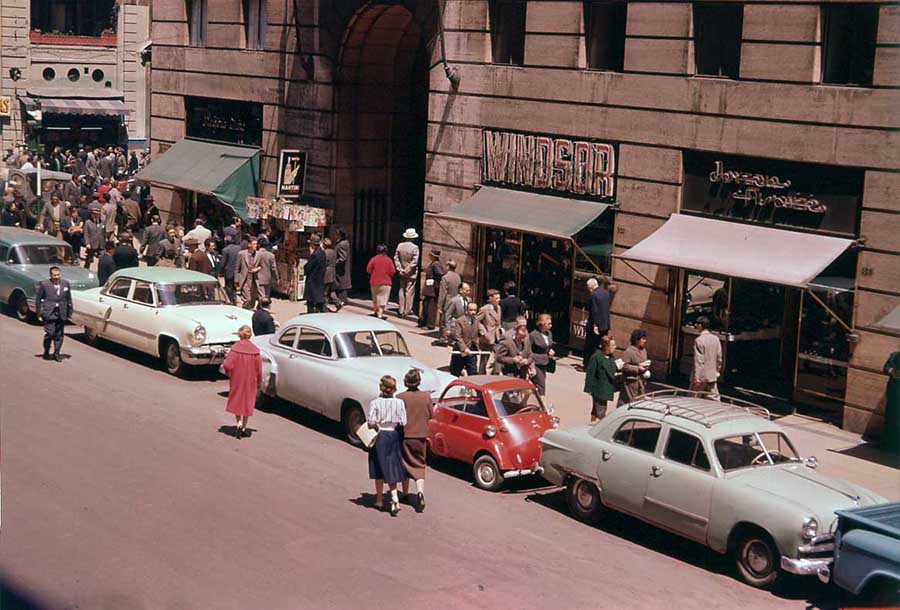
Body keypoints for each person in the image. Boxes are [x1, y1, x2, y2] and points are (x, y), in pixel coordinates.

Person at [366, 375, 407, 516]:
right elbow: (403, 421)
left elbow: (371, 421)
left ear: (381, 387)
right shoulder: (400, 403)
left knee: (378, 466)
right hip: (393, 435)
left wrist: (378, 421)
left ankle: (380, 500)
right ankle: (393, 497)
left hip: (380, 435)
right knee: (392, 466)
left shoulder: (375, 403)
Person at [398, 368, 433, 512]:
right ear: (419, 381)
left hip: (405, 436)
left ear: (406, 382)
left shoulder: (400, 397)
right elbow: (431, 414)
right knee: (419, 464)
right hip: (421, 436)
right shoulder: (426, 396)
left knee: (404, 464)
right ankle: (420, 493)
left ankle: (405, 493)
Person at [223, 325, 263, 439]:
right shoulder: (255, 351)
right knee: (247, 401)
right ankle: (244, 426)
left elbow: (227, 364)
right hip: (251, 379)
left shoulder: (235, 348)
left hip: (237, 378)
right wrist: (259, 381)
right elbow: (259, 369)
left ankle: (239, 423)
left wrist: (229, 373)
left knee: (237, 399)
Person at [35, 267, 72, 362]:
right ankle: (46, 351)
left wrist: (70, 311)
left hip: (61, 312)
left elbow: (69, 298)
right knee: (50, 333)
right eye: (54, 275)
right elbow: (38, 299)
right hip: (49, 312)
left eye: (58, 275)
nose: (56, 277)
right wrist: (39, 313)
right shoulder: (44, 284)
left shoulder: (65, 284)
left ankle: (56, 353)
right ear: (51, 275)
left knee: (59, 335)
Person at [584, 335, 618, 422]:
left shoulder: (611, 357)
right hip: (599, 389)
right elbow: (590, 373)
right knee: (601, 413)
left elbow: (612, 370)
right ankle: (601, 427)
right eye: (612, 345)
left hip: (606, 389)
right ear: (606, 346)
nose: (615, 347)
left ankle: (591, 425)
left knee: (596, 411)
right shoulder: (596, 357)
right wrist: (588, 388)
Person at [691, 316, 722, 400]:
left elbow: (699, 361)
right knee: (714, 400)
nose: (696, 326)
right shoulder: (716, 339)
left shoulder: (699, 340)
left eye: (697, 324)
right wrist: (717, 371)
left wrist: (697, 377)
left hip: (701, 377)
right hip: (712, 375)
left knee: (693, 399)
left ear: (700, 325)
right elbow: (719, 358)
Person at [585, 277, 615, 359]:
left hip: (596, 326)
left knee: (591, 346)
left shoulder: (593, 295)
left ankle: (589, 363)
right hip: (605, 325)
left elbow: (594, 311)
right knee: (602, 345)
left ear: (590, 286)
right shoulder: (606, 293)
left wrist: (595, 325)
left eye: (588, 288)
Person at [393, 228, 420, 317]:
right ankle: (407, 310)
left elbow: (396, 258)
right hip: (411, 273)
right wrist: (407, 270)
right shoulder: (415, 247)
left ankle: (401, 309)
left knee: (401, 289)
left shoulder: (400, 246)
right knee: (409, 291)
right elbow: (414, 261)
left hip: (401, 273)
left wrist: (400, 269)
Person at [450, 301, 480, 376]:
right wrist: (464, 348)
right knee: (455, 373)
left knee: (473, 372)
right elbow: (457, 336)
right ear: (466, 310)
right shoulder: (460, 321)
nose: (473, 312)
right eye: (471, 310)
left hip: (472, 350)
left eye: (475, 310)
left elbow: (478, 333)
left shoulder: (476, 320)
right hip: (460, 351)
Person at [366, 244, 395, 319]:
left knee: (375, 297)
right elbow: (392, 271)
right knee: (383, 298)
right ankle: (380, 313)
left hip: (374, 281)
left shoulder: (373, 259)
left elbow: (368, 269)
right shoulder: (388, 260)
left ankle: (376, 311)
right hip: (386, 282)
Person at [529, 313, 556, 396]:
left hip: (545, 363)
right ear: (542, 323)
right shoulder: (533, 335)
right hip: (536, 363)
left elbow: (548, 346)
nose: (551, 326)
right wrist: (531, 365)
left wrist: (551, 351)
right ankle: (540, 400)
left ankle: (532, 399)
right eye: (548, 324)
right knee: (541, 385)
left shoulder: (549, 334)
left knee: (538, 384)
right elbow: (528, 351)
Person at [476, 289, 502, 374]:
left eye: (499, 298)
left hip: (497, 336)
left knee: (499, 354)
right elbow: (477, 321)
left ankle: (495, 372)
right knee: (484, 358)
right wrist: (483, 332)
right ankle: (481, 374)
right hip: (488, 337)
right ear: (490, 298)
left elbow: (498, 322)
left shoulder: (499, 308)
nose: (499, 300)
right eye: (496, 298)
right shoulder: (484, 309)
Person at [622, 329, 651, 403]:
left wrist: (646, 368)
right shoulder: (629, 351)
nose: (645, 341)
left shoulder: (643, 350)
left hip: (641, 382)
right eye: (643, 339)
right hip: (631, 383)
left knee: (639, 402)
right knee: (629, 402)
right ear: (637, 340)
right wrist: (637, 368)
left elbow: (643, 362)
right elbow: (624, 366)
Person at [418, 248, 443, 329]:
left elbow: (440, 274)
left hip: (432, 290)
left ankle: (430, 324)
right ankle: (424, 322)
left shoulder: (436, 264)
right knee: (426, 305)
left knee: (431, 307)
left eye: (430, 255)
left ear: (433, 256)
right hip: (429, 289)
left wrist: (435, 284)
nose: (429, 256)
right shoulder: (433, 263)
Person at [882, 348, 899, 455]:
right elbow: (885, 367)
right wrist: (891, 371)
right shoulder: (894, 355)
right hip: (893, 392)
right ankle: (887, 442)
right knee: (890, 416)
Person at [303, 234, 327, 313]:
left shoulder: (315, 255)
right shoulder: (322, 253)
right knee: (319, 300)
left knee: (310, 301)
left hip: (313, 280)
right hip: (320, 279)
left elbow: (308, 267)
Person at [437, 259, 461, 332]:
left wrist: (440, 305)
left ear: (448, 266)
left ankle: (444, 335)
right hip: (456, 300)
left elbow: (443, 292)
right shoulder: (458, 277)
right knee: (453, 319)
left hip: (447, 301)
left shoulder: (445, 277)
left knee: (445, 320)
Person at [218, 238, 241, 303]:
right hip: (237, 271)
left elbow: (223, 263)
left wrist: (220, 271)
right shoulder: (239, 248)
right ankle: (234, 298)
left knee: (228, 287)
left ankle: (230, 300)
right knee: (234, 286)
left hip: (228, 271)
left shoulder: (225, 250)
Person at [333, 226, 351, 308]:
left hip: (341, 270)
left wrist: (334, 263)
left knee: (341, 285)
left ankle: (343, 300)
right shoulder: (340, 242)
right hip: (339, 270)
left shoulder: (343, 244)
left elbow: (342, 258)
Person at [322, 237, 337, 310]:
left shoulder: (324, 253)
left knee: (325, 291)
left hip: (327, 273)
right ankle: (338, 303)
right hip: (333, 272)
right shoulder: (333, 252)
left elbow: (323, 263)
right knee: (331, 290)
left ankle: (325, 306)